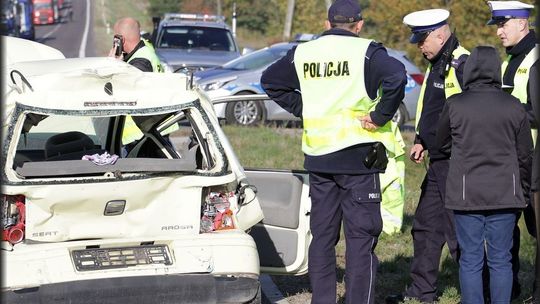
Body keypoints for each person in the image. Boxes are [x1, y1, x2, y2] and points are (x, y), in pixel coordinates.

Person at [260, 0, 407, 302]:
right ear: (359, 25)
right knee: (360, 240)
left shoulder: (303, 52)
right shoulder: (367, 51)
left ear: (327, 25)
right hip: (358, 160)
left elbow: (270, 82)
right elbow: (396, 77)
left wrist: (303, 108)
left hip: (319, 160)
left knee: (323, 239)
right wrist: (380, 116)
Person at [436, 45, 533, 304]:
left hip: (467, 194)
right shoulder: (514, 106)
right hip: (505, 193)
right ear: (496, 70)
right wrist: (523, 191)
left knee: (470, 258)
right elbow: (525, 154)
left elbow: (441, 143)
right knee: (502, 258)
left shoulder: (454, 104)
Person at [386, 9, 469, 304]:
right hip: (438, 161)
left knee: (458, 231)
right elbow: (432, 107)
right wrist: (421, 139)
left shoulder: (462, 64)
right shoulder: (437, 62)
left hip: (458, 162)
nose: (419, 46)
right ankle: (422, 291)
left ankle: (479, 292)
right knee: (424, 226)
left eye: (422, 40)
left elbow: (472, 113)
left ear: (439, 34)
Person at [486, 1, 538, 298]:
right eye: (497, 26)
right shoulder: (510, 60)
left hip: (533, 162)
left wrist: (509, 113)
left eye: (503, 24)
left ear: (522, 23)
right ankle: (512, 288)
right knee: (508, 230)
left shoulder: (535, 58)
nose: (499, 32)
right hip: (509, 162)